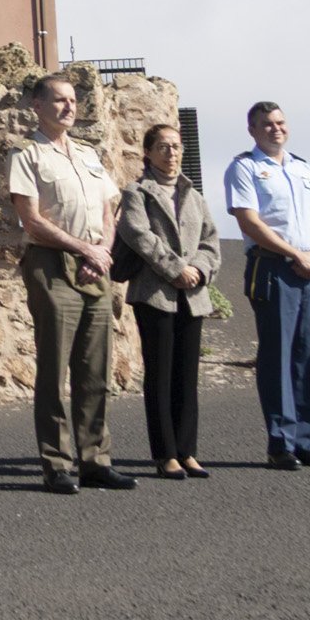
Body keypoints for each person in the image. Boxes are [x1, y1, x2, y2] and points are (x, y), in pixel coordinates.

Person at [5, 75, 137, 494]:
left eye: (72, 101)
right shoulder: (26, 154)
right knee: (54, 369)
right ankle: (57, 463)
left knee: (94, 370)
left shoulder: (87, 154)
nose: (68, 107)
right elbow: (31, 219)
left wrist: (100, 253)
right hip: (52, 263)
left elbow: (108, 211)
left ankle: (95, 459)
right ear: (37, 106)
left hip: (94, 265)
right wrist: (84, 249)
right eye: (58, 100)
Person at [224, 101, 310, 471]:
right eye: (267, 125)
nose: (276, 129)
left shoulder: (304, 169)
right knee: (278, 358)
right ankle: (280, 444)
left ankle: (307, 441)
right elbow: (249, 222)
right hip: (273, 267)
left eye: (280, 122)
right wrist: (295, 255)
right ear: (252, 131)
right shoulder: (245, 168)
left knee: (309, 355)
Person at [117, 121, 221, 480]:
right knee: (160, 375)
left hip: (193, 296)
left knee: (187, 376)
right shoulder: (137, 193)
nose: (172, 153)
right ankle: (165, 454)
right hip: (155, 294)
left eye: (176, 146)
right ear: (147, 152)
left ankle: (187, 450)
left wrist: (199, 271)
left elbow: (211, 241)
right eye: (163, 146)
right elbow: (137, 235)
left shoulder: (195, 196)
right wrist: (175, 268)